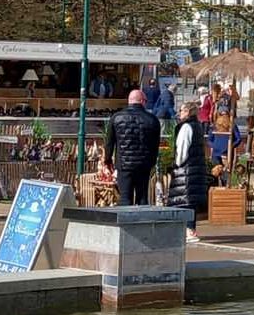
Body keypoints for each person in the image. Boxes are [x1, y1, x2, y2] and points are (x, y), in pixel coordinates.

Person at [104, 90, 161, 206]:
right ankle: (142, 222)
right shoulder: (152, 120)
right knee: (142, 196)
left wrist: (108, 160)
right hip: (144, 165)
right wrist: (152, 163)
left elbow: (109, 142)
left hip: (124, 165)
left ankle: (125, 222)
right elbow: (155, 145)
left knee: (125, 197)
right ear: (141, 101)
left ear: (129, 101)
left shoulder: (116, 118)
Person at [168, 101, 209, 242]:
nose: (180, 113)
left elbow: (182, 149)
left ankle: (189, 230)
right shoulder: (198, 126)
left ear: (188, 112)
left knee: (184, 201)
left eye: (182, 111)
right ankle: (190, 229)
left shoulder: (186, 127)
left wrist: (176, 163)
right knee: (190, 201)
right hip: (196, 167)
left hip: (186, 169)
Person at [207, 109, 242, 185]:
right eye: (222, 115)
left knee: (225, 173)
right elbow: (209, 139)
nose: (224, 117)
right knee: (215, 173)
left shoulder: (232, 126)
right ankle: (216, 190)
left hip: (226, 153)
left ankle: (224, 190)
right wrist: (214, 146)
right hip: (216, 154)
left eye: (225, 115)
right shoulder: (214, 126)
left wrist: (231, 146)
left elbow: (238, 139)